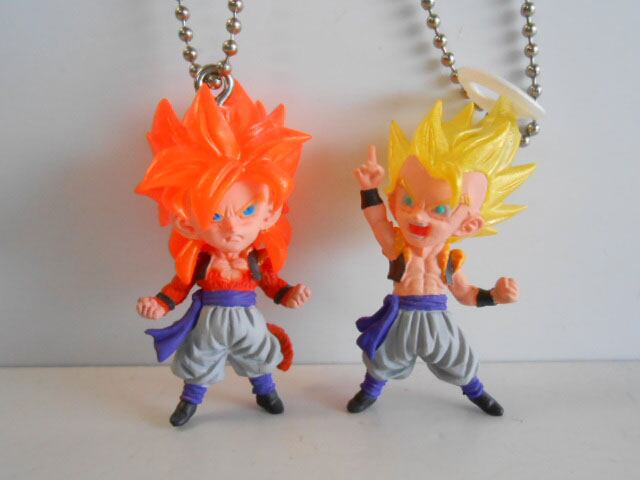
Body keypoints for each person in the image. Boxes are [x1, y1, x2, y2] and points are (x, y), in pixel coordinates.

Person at [135, 83, 311, 426]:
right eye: (215, 216)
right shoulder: (201, 259)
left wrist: (289, 294)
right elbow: (179, 286)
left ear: (270, 213)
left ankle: (265, 391)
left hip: (248, 319)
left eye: (247, 212)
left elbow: (272, 284)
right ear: (187, 222)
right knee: (199, 359)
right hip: (209, 322)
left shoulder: (256, 259)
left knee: (258, 353)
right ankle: (190, 401)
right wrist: (160, 303)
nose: (232, 228)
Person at [349, 98, 535, 416]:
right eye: (408, 202)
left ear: (468, 225)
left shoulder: (449, 260)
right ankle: (370, 391)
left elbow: (465, 294)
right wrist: (369, 189)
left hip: (438, 320)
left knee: (457, 358)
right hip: (401, 316)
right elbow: (377, 221)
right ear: (394, 202)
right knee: (383, 358)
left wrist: (495, 296)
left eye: (438, 210)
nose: (418, 217)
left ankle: (476, 391)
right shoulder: (398, 247)